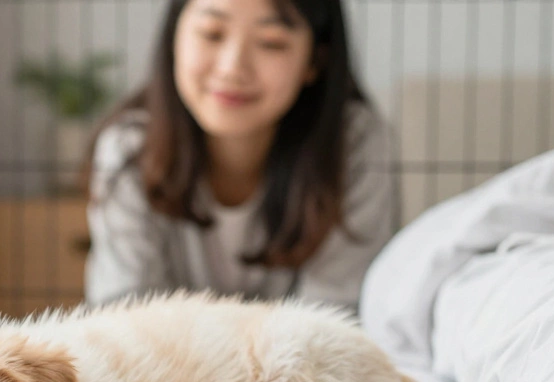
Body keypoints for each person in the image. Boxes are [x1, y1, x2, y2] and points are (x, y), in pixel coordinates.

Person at [83, 0, 397, 312]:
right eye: (211, 34)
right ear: (174, 40)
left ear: (316, 60)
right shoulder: (128, 149)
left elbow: (334, 317)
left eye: (271, 43)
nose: (232, 67)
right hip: (169, 360)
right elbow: (123, 316)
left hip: (299, 359)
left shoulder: (354, 144)